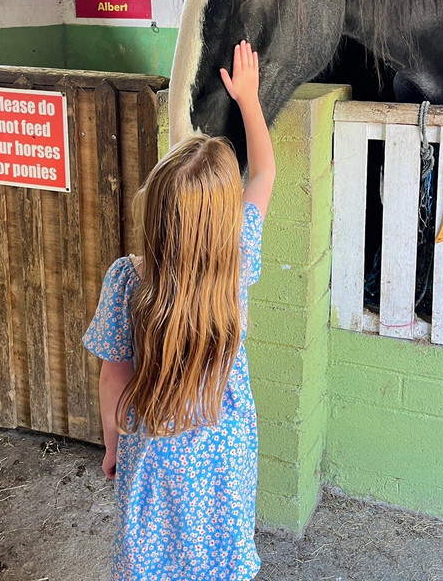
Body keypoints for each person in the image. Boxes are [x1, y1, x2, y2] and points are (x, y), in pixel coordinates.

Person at [83, 40, 276, 580]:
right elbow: (263, 173)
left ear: (157, 212)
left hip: (152, 458)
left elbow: (112, 380)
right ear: (225, 219)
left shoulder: (127, 279)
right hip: (224, 456)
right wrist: (250, 101)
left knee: (151, 563)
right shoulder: (239, 260)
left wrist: (112, 447)